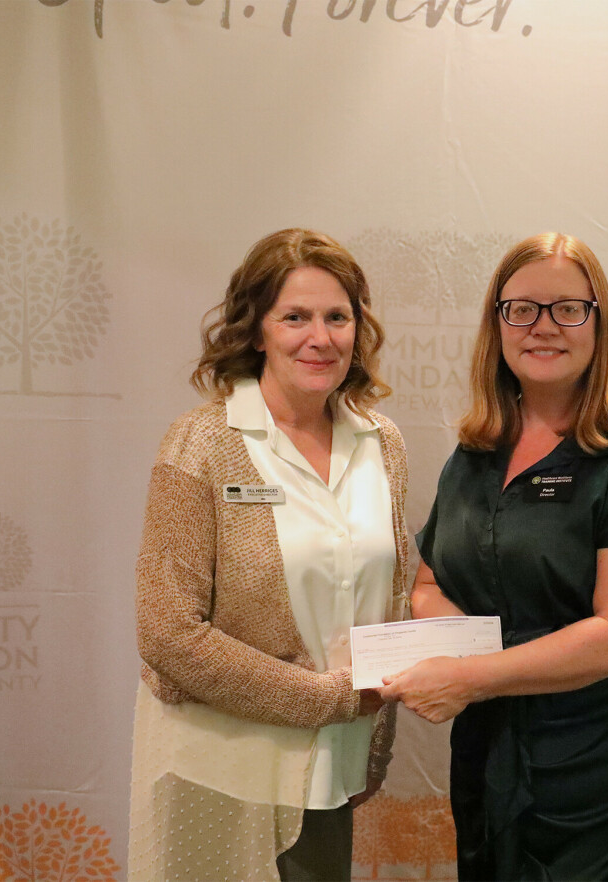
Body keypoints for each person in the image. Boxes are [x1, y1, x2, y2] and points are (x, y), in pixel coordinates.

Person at [378, 233, 608, 881]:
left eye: (568, 309)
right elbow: (427, 577)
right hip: (493, 744)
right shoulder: (476, 453)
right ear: (497, 324)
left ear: (598, 323)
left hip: (605, 757)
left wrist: (469, 677)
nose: (543, 327)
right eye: (522, 309)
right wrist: (458, 658)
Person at [128, 228, 409, 882]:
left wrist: (371, 742)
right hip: (219, 772)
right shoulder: (200, 443)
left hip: (331, 771)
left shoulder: (382, 445)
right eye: (295, 317)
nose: (321, 337)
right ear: (256, 331)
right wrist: (326, 698)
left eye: (338, 317)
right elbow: (167, 632)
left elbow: (391, 595)